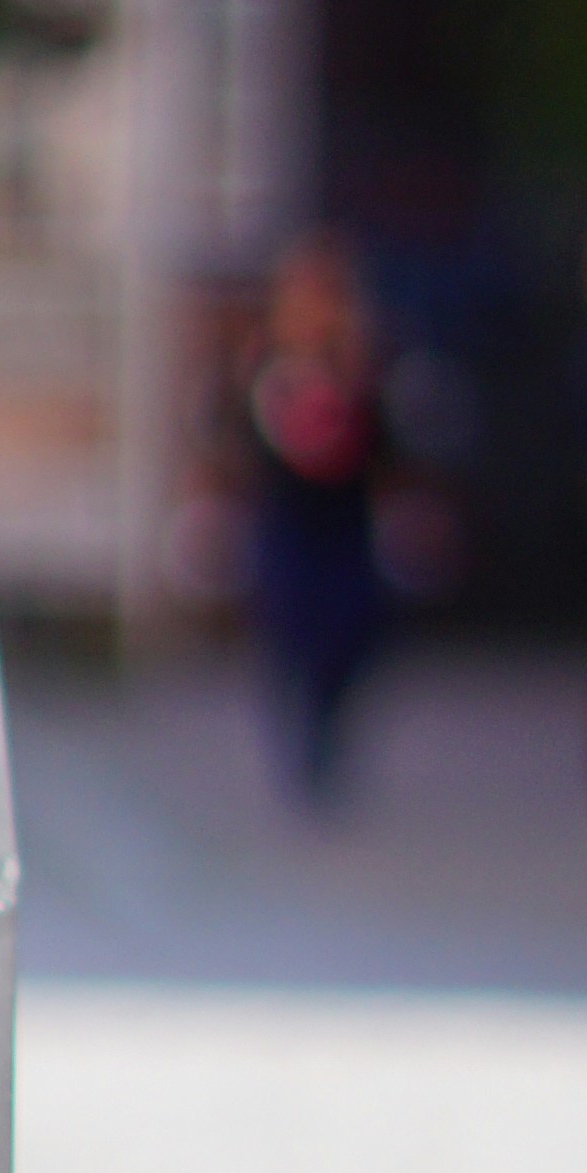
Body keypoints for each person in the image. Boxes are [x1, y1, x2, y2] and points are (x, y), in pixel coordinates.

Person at [232, 234, 396, 800]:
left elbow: (388, 445)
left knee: (350, 631)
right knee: (292, 627)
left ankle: (329, 724)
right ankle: (304, 735)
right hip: (290, 517)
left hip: (345, 518)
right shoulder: (267, 363)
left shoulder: (364, 363)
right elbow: (242, 439)